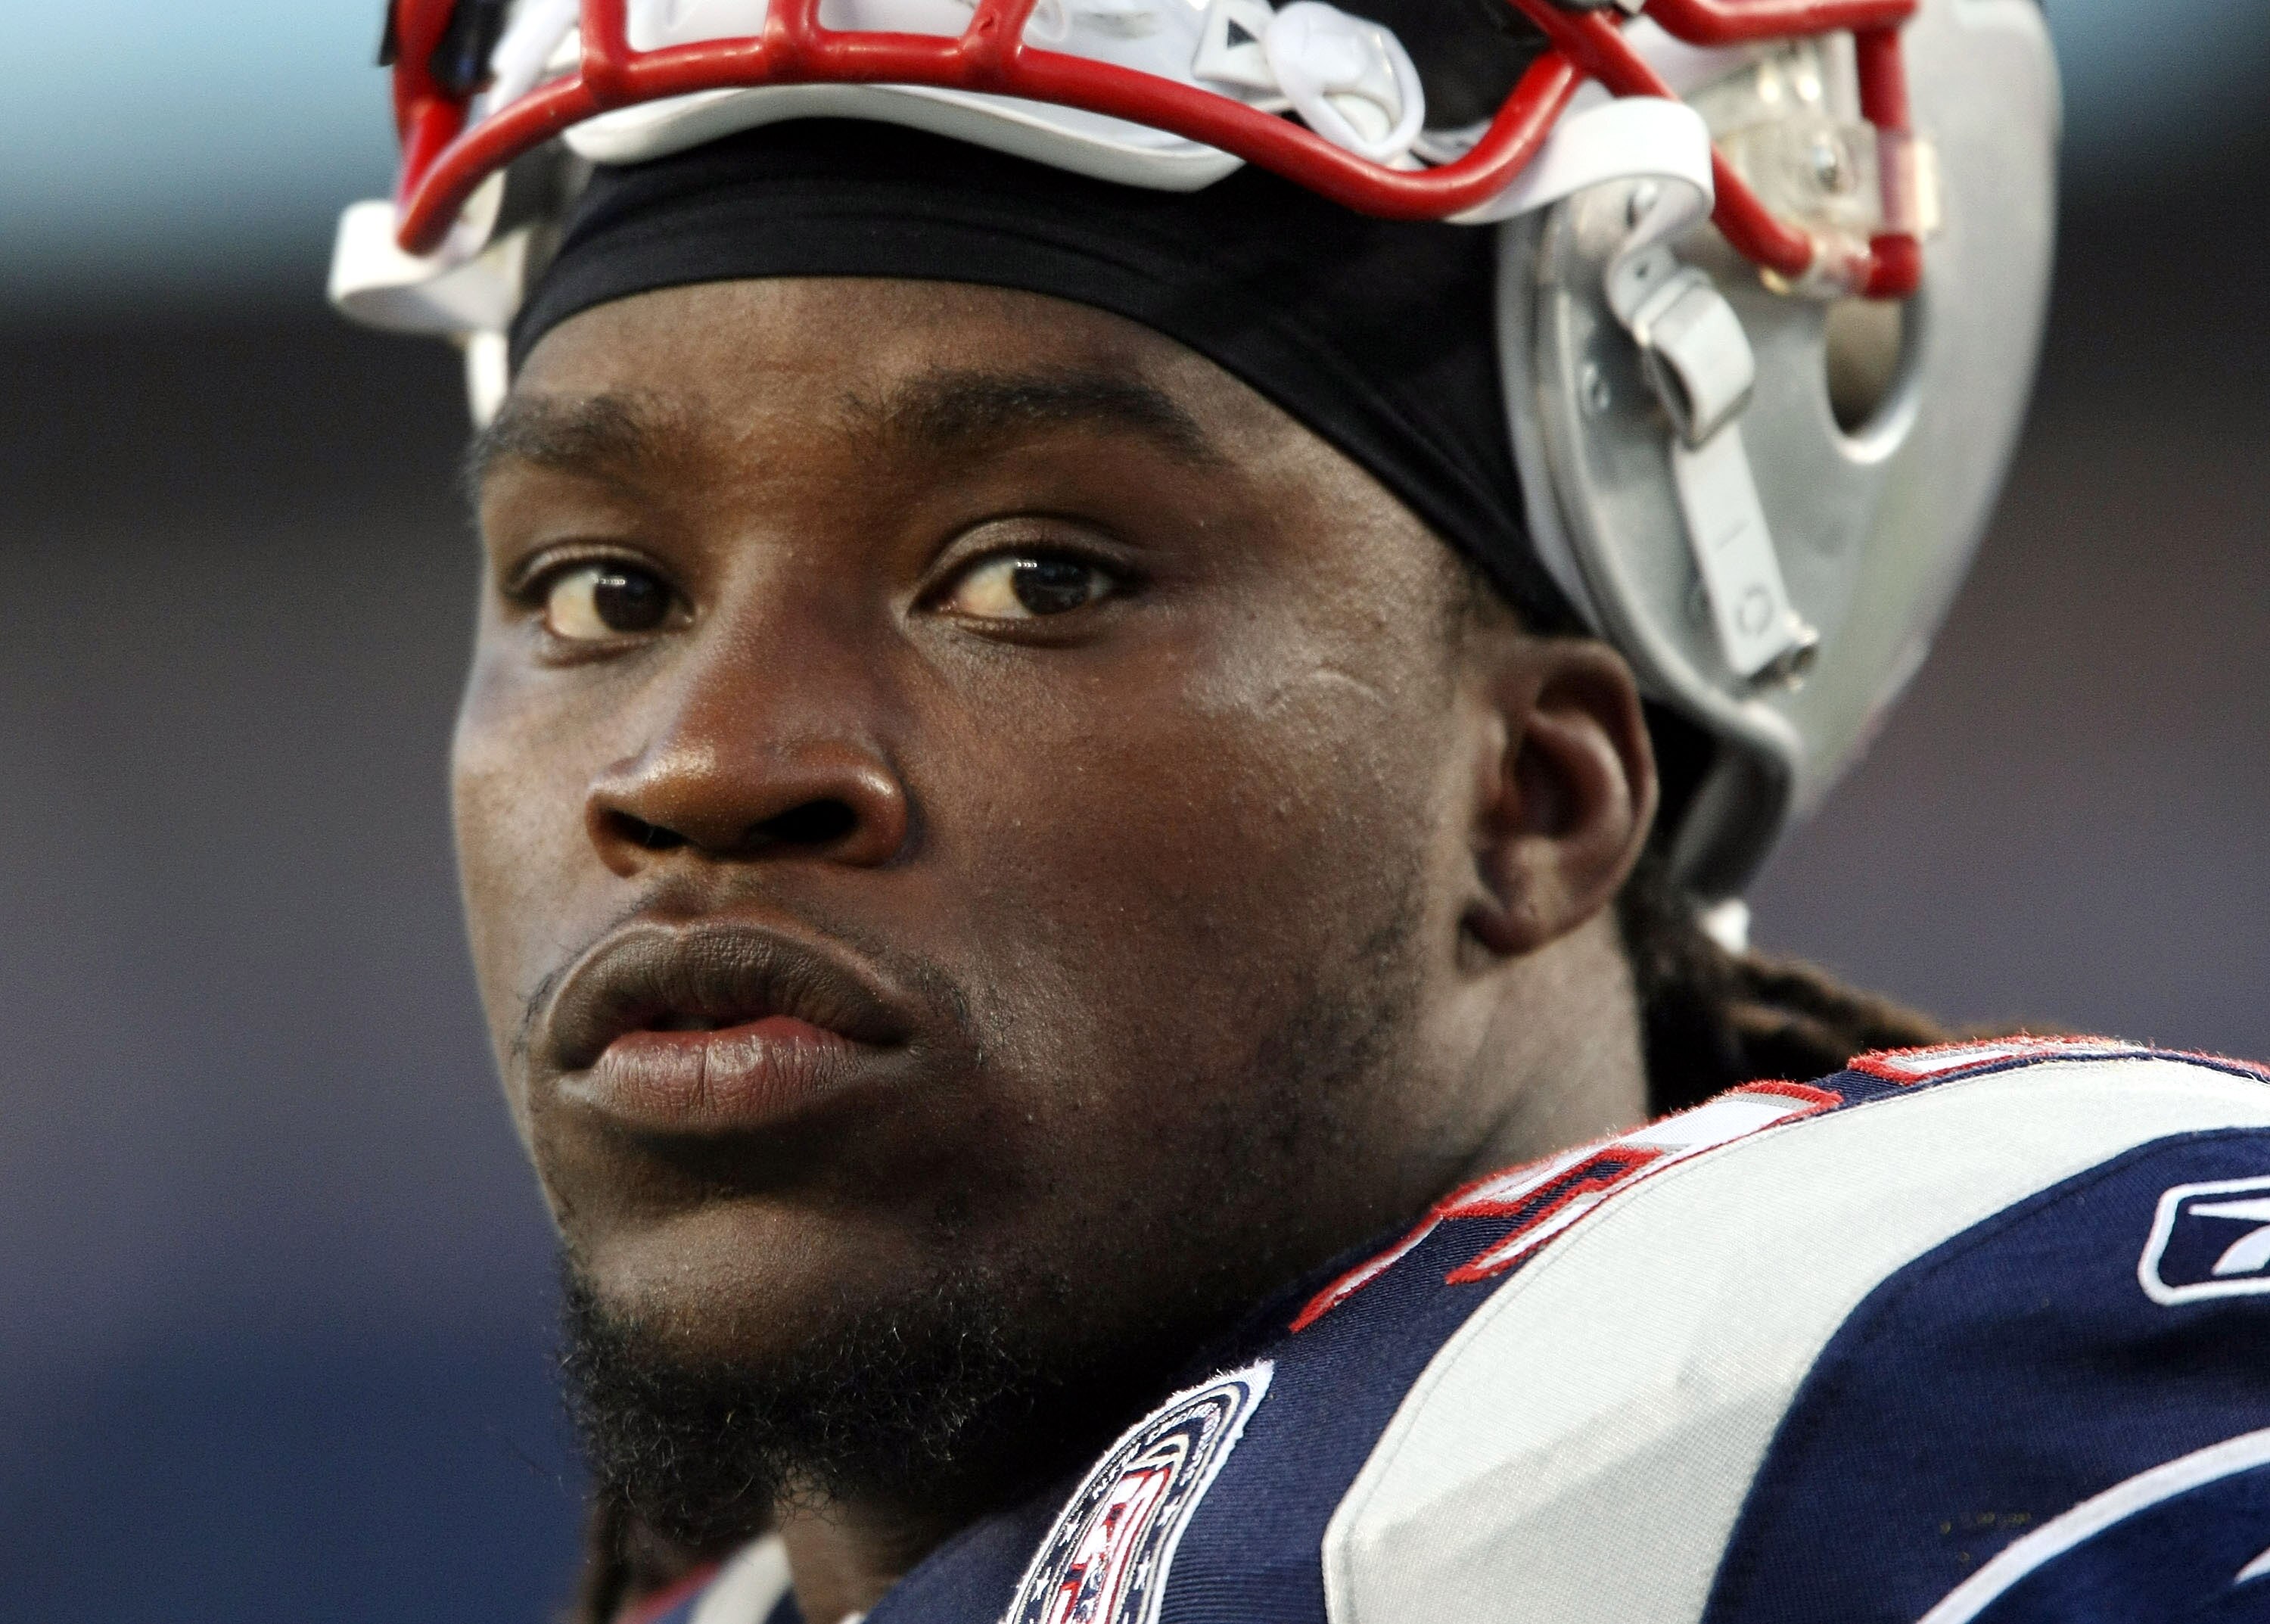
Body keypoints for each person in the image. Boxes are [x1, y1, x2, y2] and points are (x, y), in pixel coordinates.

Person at [334, 2, 2270, 1620]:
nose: (701, 765)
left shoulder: (1909, 1388)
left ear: (1534, 800)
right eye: (604, 593)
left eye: (1033, 577)